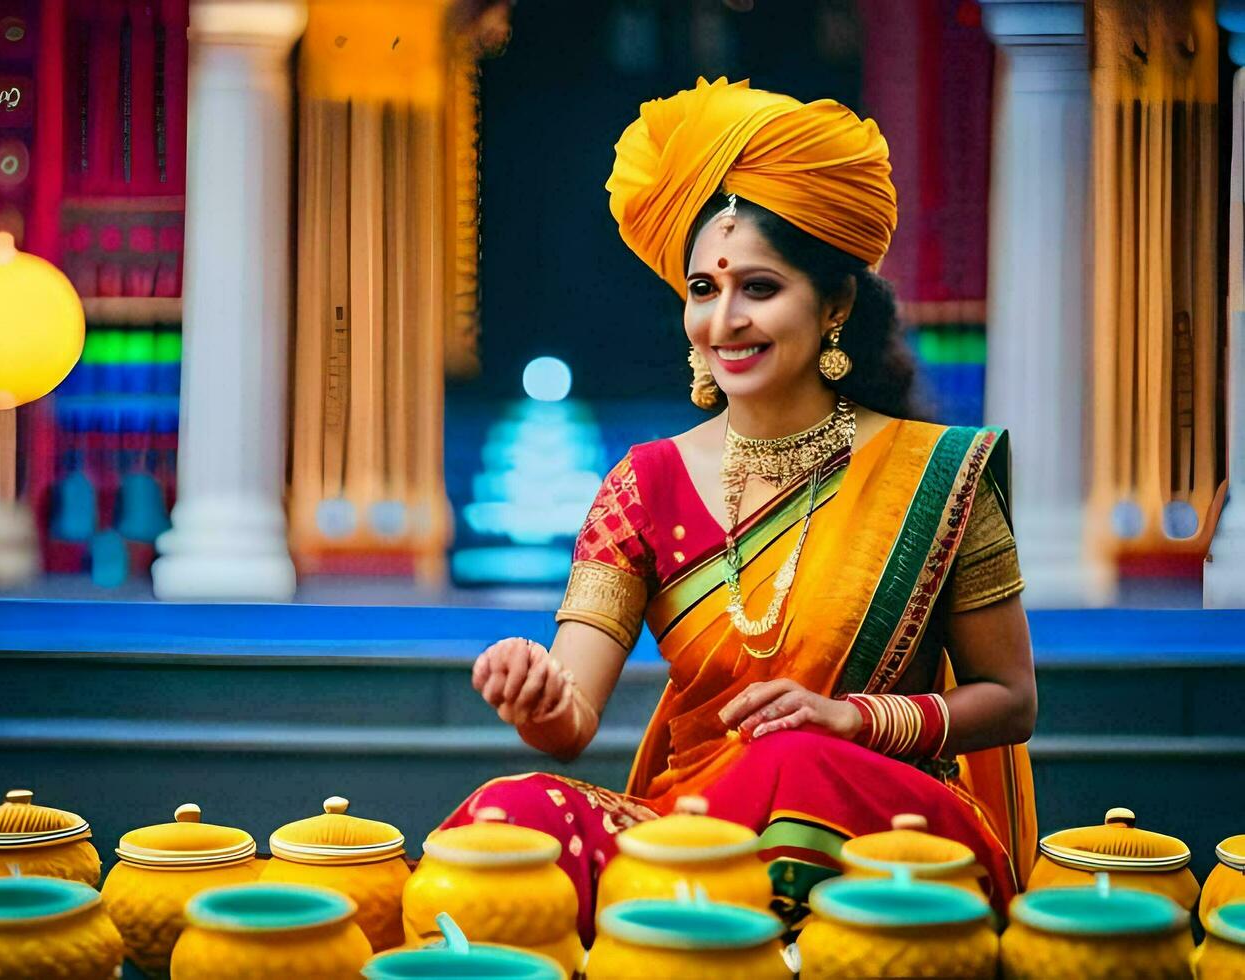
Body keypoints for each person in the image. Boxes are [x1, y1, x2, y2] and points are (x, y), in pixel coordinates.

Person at [437, 78, 1038, 941]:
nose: (724, 320)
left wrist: (851, 719)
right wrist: (537, 696)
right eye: (702, 289)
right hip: (692, 831)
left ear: (834, 306)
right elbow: (571, 722)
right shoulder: (644, 484)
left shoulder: (937, 473)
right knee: (513, 817)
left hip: (884, 832)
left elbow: (1011, 700)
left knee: (796, 764)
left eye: (758, 288)